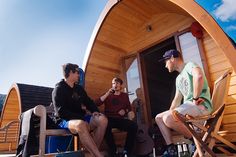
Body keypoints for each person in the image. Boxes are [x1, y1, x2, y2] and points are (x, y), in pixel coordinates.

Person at [155, 49, 212, 157]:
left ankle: (196, 141)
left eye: (166, 61)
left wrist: (195, 98)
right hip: (189, 108)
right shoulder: (178, 79)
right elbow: (176, 100)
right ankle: (171, 149)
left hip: (200, 106)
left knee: (168, 118)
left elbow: (198, 76)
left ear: (172, 58)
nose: (165, 66)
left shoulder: (190, 65)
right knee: (159, 118)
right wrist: (168, 112)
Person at [52, 63, 108, 157]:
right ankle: (98, 155)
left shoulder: (78, 89)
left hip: (80, 117)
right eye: (77, 72)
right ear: (70, 72)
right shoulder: (58, 89)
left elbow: (88, 101)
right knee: (81, 124)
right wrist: (81, 118)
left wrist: (95, 110)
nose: (79, 75)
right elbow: (61, 112)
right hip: (64, 120)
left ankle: (91, 154)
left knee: (102, 119)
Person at [95, 77, 138, 157]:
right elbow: (97, 103)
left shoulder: (124, 96)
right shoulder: (108, 95)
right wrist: (107, 93)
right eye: (113, 83)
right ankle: (113, 151)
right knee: (105, 127)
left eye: (117, 83)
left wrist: (125, 111)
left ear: (121, 85)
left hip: (120, 119)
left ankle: (127, 151)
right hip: (109, 118)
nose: (115, 85)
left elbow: (129, 108)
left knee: (133, 126)